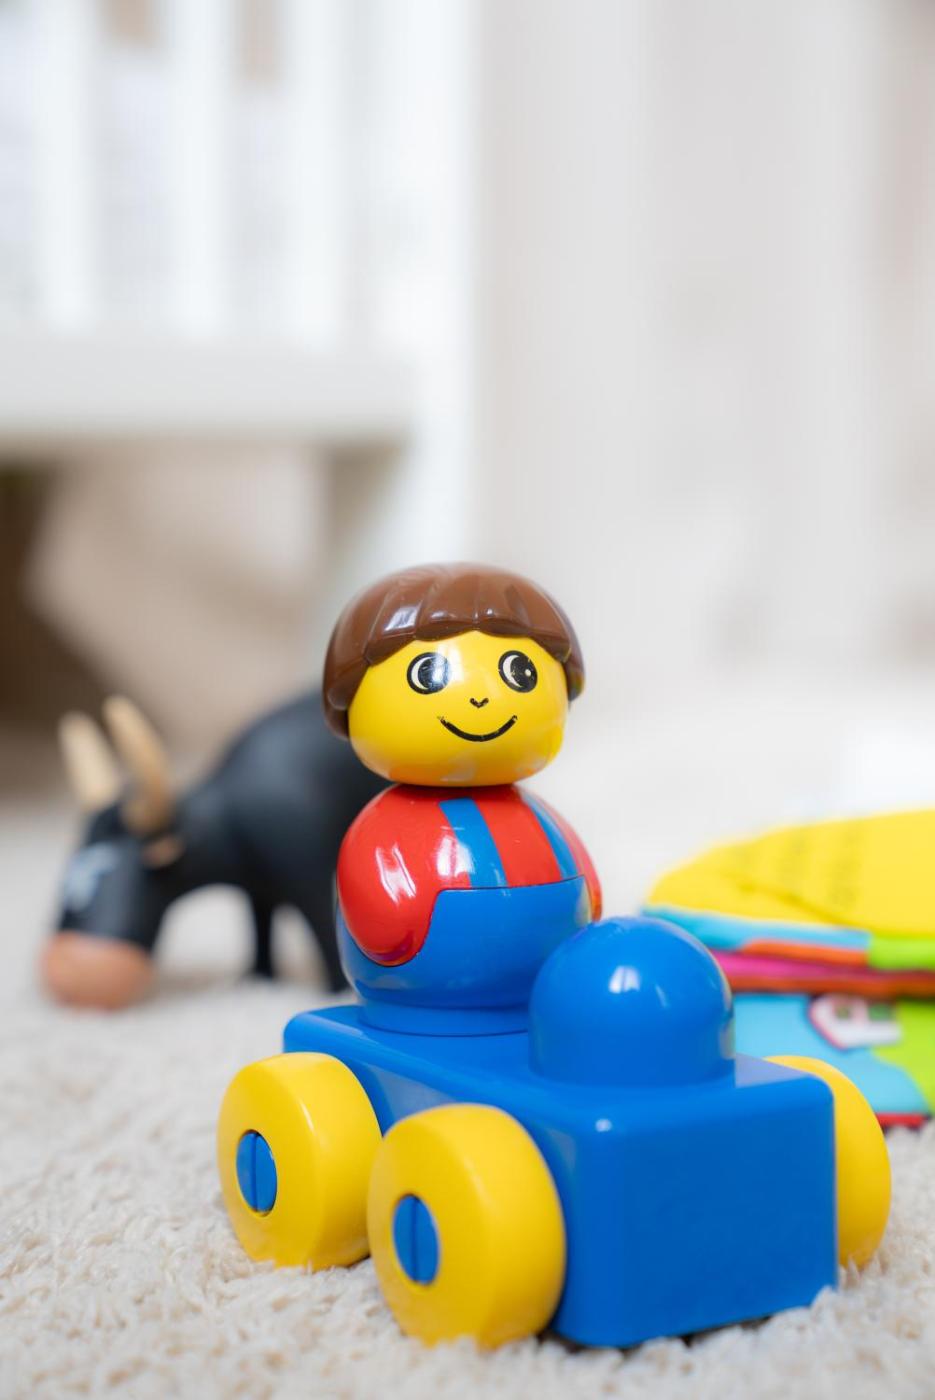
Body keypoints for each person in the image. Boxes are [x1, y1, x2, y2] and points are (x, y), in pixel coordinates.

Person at [323, 562, 601, 1027]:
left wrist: (588, 895)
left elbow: (582, 873)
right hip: (414, 1008)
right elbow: (372, 878)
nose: (480, 696)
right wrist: (389, 924)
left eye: (519, 672)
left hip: (541, 999)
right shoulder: (385, 822)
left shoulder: (534, 813)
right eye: (429, 674)